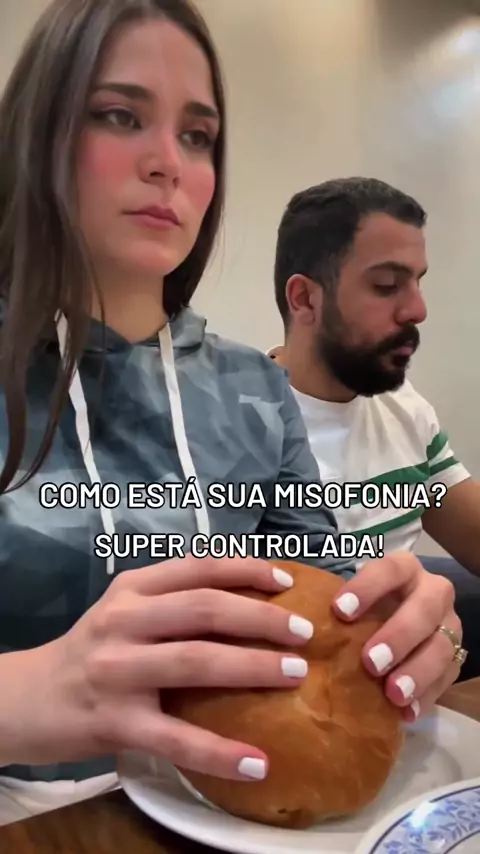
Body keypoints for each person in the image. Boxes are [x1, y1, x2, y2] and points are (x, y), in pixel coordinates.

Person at [0, 1, 463, 826]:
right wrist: (25, 692)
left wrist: (406, 635)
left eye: (197, 135)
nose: (167, 164)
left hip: (231, 814)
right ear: (38, 135)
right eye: (119, 115)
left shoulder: (255, 387)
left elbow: (328, 591)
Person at [269, 176, 479, 660]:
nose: (418, 310)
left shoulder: (402, 405)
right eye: (387, 286)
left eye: (418, 282)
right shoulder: (232, 433)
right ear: (305, 299)